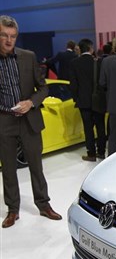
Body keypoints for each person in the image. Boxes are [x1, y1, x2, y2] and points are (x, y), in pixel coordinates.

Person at [0, 15, 62, 228]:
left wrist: (31, 102)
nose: (9, 40)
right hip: (4, 121)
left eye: (13, 36)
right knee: (8, 168)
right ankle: (13, 210)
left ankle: (43, 205)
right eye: (4, 36)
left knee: (36, 166)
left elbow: (43, 88)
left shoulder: (28, 57)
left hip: (29, 120)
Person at [70, 38, 107, 161]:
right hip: (98, 100)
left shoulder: (74, 63)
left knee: (88, 128)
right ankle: (101, 152)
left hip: (83, 101)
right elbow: (103, 82)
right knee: (100, 126)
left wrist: (76, 99)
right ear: (91, 49)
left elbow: (73, 84)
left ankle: (91, 153)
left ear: (80, 49)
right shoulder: (99, 62)